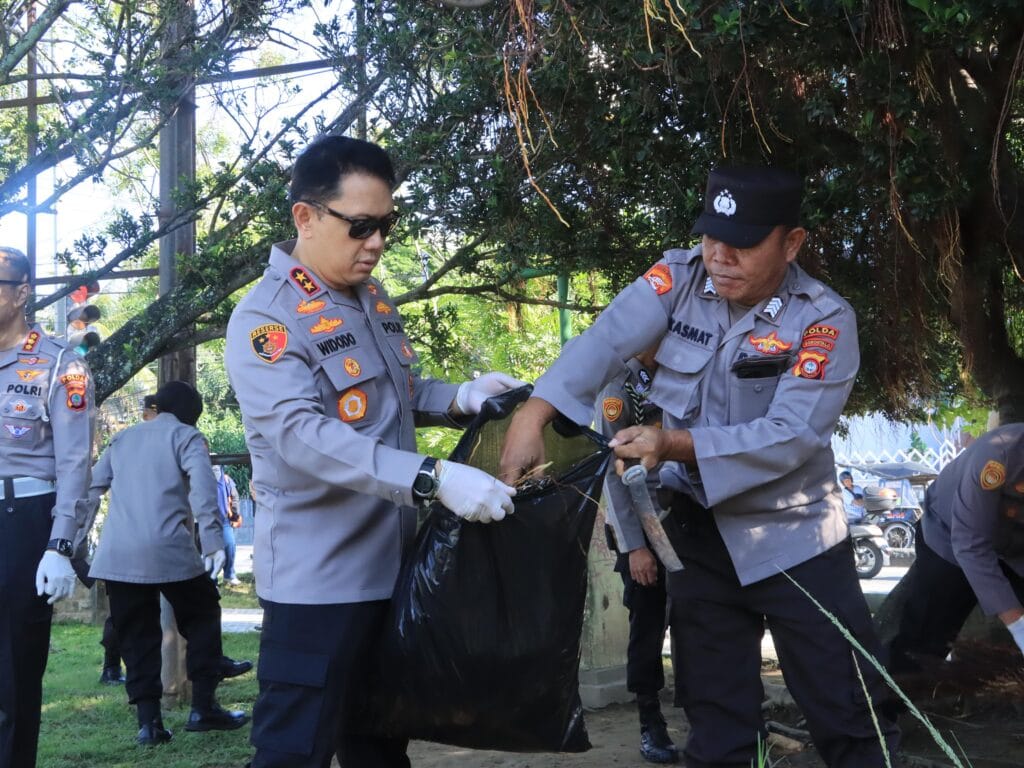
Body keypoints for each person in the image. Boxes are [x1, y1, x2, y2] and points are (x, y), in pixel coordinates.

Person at [499, 167, 900, 768]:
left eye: (742, 243)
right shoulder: (681, 277)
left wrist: (673, 444)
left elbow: (791, 436)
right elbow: (607, 338)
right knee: (715, 727)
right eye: (712, 236)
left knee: (850, 716)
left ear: (791, 244)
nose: (720, 256)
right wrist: (534, 415)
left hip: (796, 542)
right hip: (698, 540)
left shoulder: (823, 319)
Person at [225, 134, 523, 768]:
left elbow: (393, 394)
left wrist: (461, 397)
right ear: (305, 216)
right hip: (319, 581)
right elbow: (301, 436)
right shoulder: (268, 321)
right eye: (361, 226)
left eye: (386, 224)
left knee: (381, 747)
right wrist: (432, 477)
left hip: (391, 569)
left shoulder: (371, 299)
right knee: (292, 751)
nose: (378, 242)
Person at [82, 380, 249, 746]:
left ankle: (149, 725)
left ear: (157, 406)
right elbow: (204, 491)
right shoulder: (188, 437)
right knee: (203, 612)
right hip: (168, 549)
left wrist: (74, 541)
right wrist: (213, 539)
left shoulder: (123, 439)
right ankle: (204, 705)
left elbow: (93, 488)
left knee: (136, 635)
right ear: (192, 414)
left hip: (118, 554)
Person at [0, 246, 96, 768]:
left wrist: (61, 544)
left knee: (14, 675)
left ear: (21, 293)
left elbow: (75, 461)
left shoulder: (61, 363)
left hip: (22, 523)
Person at [595, 347, 681, 764]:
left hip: (691, 518)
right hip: (647, 524)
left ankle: (706, 714)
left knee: (701, 619)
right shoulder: (618, 390)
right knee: (648, 628)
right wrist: (636, 546)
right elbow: (615, 473)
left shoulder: (682, 371)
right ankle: (651, 722)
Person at [886, 423, 1024, 673]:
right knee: (926, 639)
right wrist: (1019, 627)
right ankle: (890, 705)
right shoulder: (997, 458)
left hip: (1014, 548)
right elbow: (970, 545)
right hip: (950, 538)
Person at [213, 465, 242, 586]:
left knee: (230, 545)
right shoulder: (202, 478)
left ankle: (229, 574)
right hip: (207, 519)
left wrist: (235, 515)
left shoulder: (226, 480)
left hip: (224, 519)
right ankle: (212, 579)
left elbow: (234, 497)